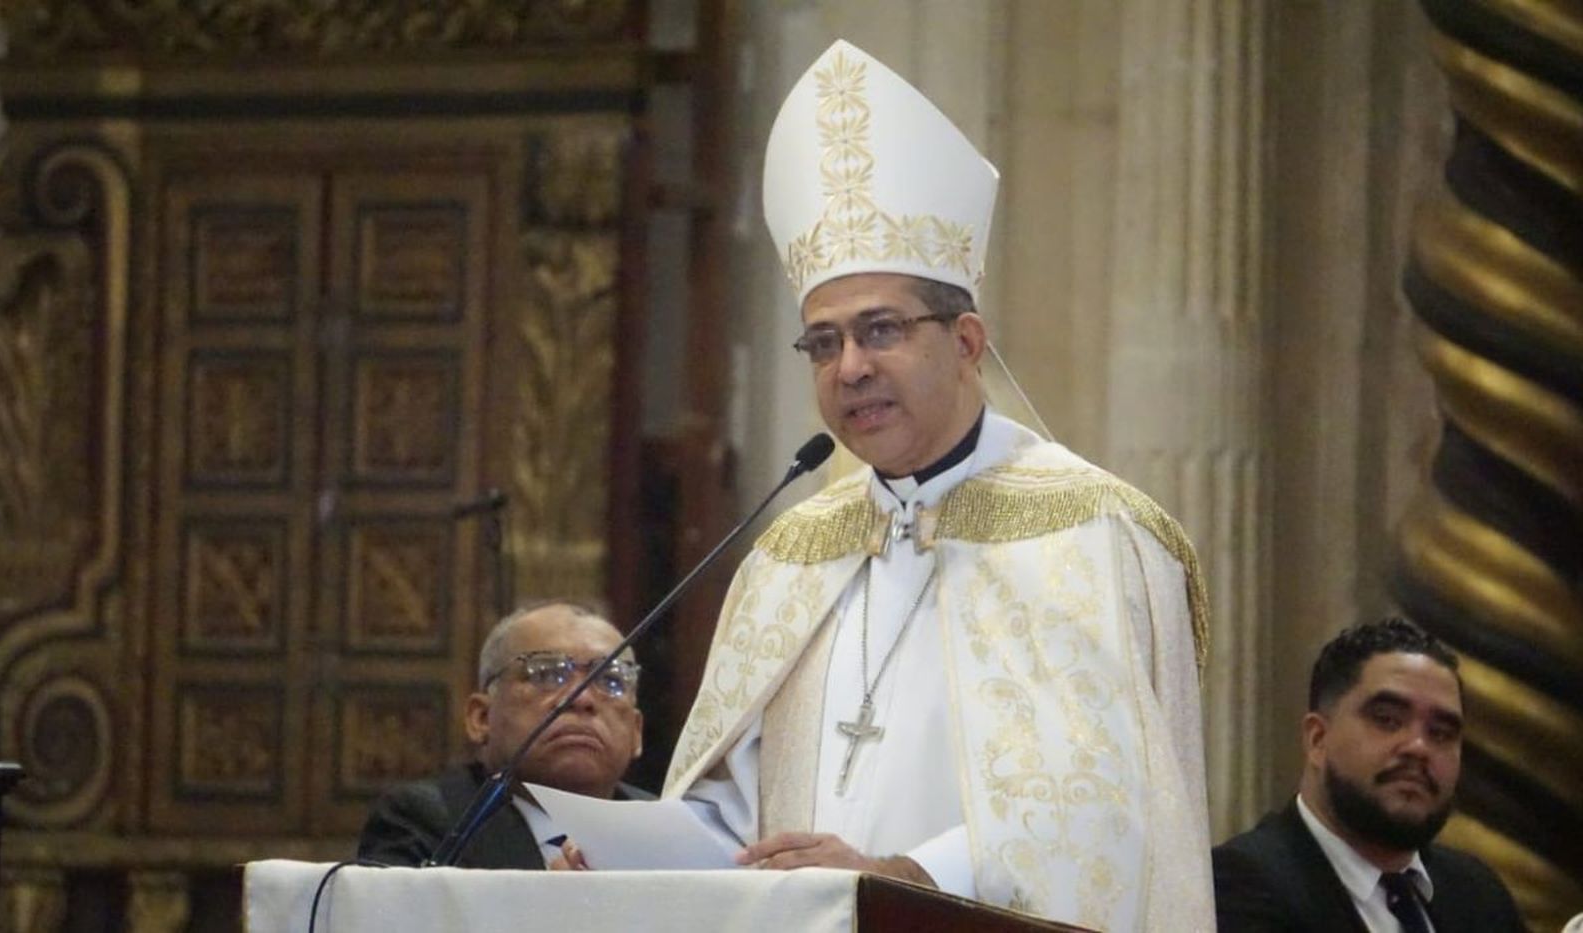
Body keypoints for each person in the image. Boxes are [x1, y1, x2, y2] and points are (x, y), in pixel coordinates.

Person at [651, 40, 1214, 931]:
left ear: (966, 342)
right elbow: (737, 811)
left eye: (881, 329)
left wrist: (902, 875)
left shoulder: (1092, 534)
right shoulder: (791, 555)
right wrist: (636, 854)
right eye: (824, 343)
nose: (851, 367)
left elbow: (1112, 815)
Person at [1212, 616, 1524, 931]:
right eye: (1387, 720)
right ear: (1318, 739)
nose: (1418, 747)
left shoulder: (1477, 893)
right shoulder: (1239, 884)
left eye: (1441, 733)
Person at [356, 600, 648, 868]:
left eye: (611, 680)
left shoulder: (669, 830)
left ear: (636, 732)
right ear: (481, 718)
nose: (581, 698)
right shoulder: (424, 822)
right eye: (547, 674)